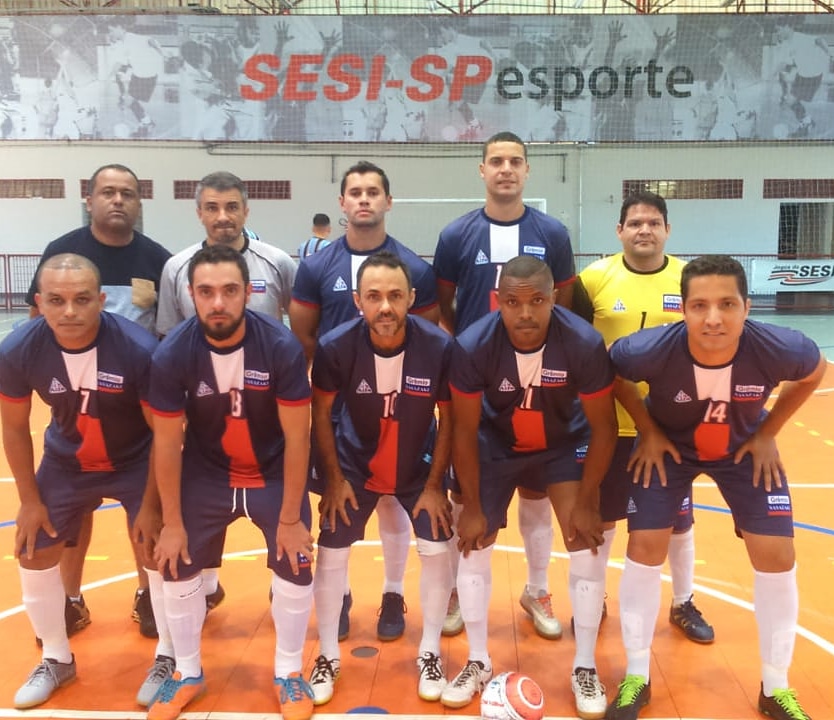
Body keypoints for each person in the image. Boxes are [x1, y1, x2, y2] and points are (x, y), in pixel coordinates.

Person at [606, 255, 825, 720]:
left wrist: (768, 433)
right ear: (682, 309)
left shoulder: (781, 347)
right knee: (644, 545)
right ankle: (637, 675)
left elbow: (814, 372)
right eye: (699, 305)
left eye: (727, 304)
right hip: (670, 449)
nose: (713, 318)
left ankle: (776, 687)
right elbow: (615, 375)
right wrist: (648, 430)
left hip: (743, 448)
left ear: (747, 307)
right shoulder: (647, 349)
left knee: (777, 555)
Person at [443, 255, 617, 718]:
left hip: (563, 444)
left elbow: (604, 427)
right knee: (473, 544)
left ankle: (584, 666)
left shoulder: (583, 342)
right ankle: (478, 660)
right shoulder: (472, 345)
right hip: (495, 445)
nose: (525, 313)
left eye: (537, 301)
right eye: (513, 302)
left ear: (555, 298)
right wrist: (473, 505)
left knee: (586, 545)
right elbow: (463, 430)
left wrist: (588, 500)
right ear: (497, 300)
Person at [146, 244, 315, 720]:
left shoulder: (280, 346)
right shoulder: (172, 353)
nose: (217, 302)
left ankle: (288, 672)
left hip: (272, 469)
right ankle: (187, 673)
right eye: (206, 292)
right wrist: (172, 522)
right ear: (190, 294)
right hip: (207, 472)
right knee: (175, 560)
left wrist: (290, 519)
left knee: (296, 558)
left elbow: (298, 438)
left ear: (247, 293)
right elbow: (166, 443)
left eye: (229, 290)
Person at [433, 131, 576, 641]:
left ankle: (537, 589)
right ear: (482, 170)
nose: (506, 169)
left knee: (537, 496)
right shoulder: (455, 235)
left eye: (515, 161)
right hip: (476, 385)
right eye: (496, 161)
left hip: (537, 385)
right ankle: (457, 590)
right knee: (464, 497)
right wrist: (471, 352)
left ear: (527, 170)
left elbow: (564, 301)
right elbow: (444, 304)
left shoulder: (552, 233)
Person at [0, 254, 159, 709]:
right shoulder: (18, 350)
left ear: (101, 301)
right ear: (39, 303)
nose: (69, 311)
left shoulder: (139, 348)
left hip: (136, 458)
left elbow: (165, 433)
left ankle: (170, 656)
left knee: (159, 543)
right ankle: (56, 658)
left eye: (82, 299)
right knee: (32, 547)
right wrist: (30, 501)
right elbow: (14, 427)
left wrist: (154, 505)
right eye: (56, 300)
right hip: (66, 461)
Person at [290, 160, 439, 644]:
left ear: (388, 201)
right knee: (340, 508)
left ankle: (393, 592)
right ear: (342, 203)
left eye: (373, 192)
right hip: (338, 408)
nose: (364, 200)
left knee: (394, 503)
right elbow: (304, 338)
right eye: (355, 192)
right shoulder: (316, 266)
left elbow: (429, 339)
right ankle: (341, 595)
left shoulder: (416, 267)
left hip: (401, 407)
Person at [25, 163, 171, 640]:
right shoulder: (62, 253)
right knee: (74, 511)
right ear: (89, 200)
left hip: (137, 410)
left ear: (138, 203)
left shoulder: (158, 260)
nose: (118, 200)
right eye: (108, 192)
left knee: (144, 516)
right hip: (76, 408)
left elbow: (169, 332)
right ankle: (70, 598)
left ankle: (147, 594)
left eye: (127, 193)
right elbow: (38, 325)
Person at [308, 251, 454, 705]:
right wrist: (333, 479)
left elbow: (449, 417)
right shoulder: (335, 346)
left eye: (395, 296)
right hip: (354, 463)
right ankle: (327, 654)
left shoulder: (438, 346)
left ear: (411, 298)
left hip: (417, 464)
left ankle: (430, 651)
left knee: (437, 547)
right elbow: (321, 412)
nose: (385, 307)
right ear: (357, 301)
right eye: (373, 296)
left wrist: (435, 485)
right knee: (331, 549)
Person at [572, 191, 715, 645]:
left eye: (654, 223)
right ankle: (593, 600)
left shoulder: (689, 279)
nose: (644, 230)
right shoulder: (594, 279)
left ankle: (683, 601)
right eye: (635, 223)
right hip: (607, 425)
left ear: (668, 230)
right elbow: (575, 342)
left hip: (672, 427)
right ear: (619, 231)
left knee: (679, 521)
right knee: (601, 518)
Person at [156, 170, 297, 337]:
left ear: (245, 212)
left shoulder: (279, 263)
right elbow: (169, 335)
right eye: (212, 208)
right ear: (200, 214)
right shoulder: (175, 268)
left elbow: (302, 328)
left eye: (232, 207)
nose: (222, 217)